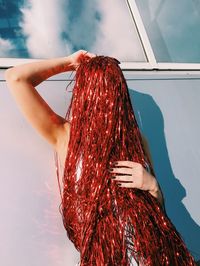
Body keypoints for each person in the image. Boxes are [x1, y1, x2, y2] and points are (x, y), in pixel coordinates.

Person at [5, 50, 196, 265]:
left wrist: (153, 187)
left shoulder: (136, 141)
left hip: (150, 258)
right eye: (99, 89)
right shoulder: (66, 135)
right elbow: (16, 78)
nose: (106, 98)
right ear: (85, 93)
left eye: (112, 89)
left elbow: (158, 215)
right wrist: (69, 62)